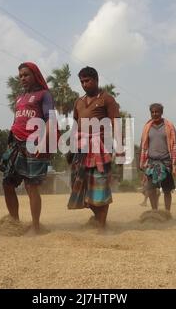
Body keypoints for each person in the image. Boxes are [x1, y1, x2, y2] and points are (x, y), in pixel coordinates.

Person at [1, 62, 55, 234]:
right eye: (20, 76)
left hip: (34, 143)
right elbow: (17, 121)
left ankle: (36, 227)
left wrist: (44, 142)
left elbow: (50, 120)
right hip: (15, 144)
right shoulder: (19, 98)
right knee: (7, 183)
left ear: (35, 75)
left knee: (31, 186)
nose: (23, 78)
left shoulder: (44, 95)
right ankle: (15, 223)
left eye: (26, 75)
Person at [67, 66, 120, 230]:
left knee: (100, 187)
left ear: (96, 80)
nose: (84, 84)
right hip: (81, 150)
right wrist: (71, 147)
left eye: (87, 80)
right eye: (81, 81)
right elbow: (75, 126)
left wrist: (118, 148)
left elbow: (116, 123)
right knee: (82, 187)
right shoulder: (78, 101)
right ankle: (98, 220)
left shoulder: (107, 99)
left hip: (101, 149)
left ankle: (102, 227)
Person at [139, 103, 176, 212]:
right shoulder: (147, 127)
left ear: (161, 112)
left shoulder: (169, 126)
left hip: (166, 162)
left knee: (167, 190)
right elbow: (143, 144)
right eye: (152, 112)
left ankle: (167, 212)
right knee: (152, 189)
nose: (154, 114)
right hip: (151, 162)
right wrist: (141, 163)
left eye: (157, 112)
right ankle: (154, 211)